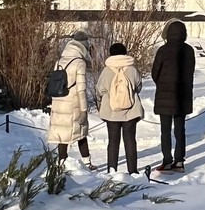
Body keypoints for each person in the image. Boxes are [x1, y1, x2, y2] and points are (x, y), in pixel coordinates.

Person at [150, 20, 195, 172]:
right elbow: (190, 72)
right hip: (183, 96)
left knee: (165, 131)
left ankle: (167, 161)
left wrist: (162, 84)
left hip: (164, 96)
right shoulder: (189, 50)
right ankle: (180, 161)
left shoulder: (163, 50)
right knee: (180, 130)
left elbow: (155, 73)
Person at [47, 30, 93, 167]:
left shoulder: (59, 61)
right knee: (81, 133)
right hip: (73, 104)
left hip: (58, 102)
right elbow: (81, 90)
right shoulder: (79, 63)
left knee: (62, 135)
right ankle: (87, 162)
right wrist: (84, 110)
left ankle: (61, 162)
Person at [96, 41, 143, 175]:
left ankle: (112, 170)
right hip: (131, 111)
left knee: (113, 141)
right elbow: (138, 87)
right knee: (130, 141)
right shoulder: (132, 69)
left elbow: (100, 89)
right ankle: (133, 171)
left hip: (111, 112)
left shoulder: (106, 70)